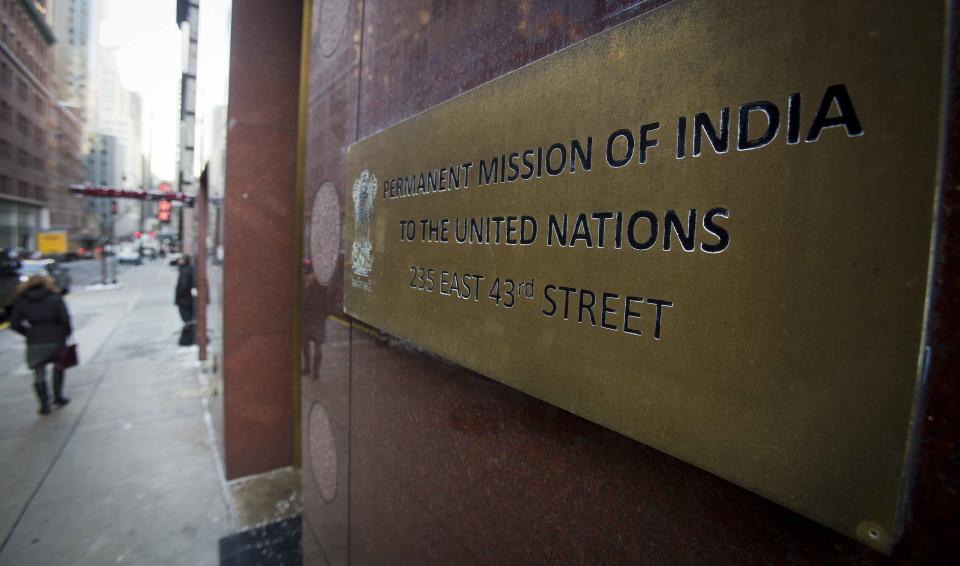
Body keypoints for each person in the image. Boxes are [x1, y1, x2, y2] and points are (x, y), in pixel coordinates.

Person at [10, 275, 72, 415]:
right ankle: (58, 397)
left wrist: (28, 333)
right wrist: (66, 333)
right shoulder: (54, 298)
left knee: (39, 373)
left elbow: (15, 324)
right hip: (56, 337)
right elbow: (65, 318)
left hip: (35, 339)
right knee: (59, 368)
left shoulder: (22, 302)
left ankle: (44, 405)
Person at [175, 255, 196, 346]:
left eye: (181, 259)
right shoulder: (187, 269)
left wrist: (179, 297)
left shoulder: (185, 271)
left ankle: (187, 341)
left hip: (184, 300)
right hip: (187, 299)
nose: (179, 261)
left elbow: (183, 286)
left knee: (187, 320)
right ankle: (188, 339)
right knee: (188, 320)